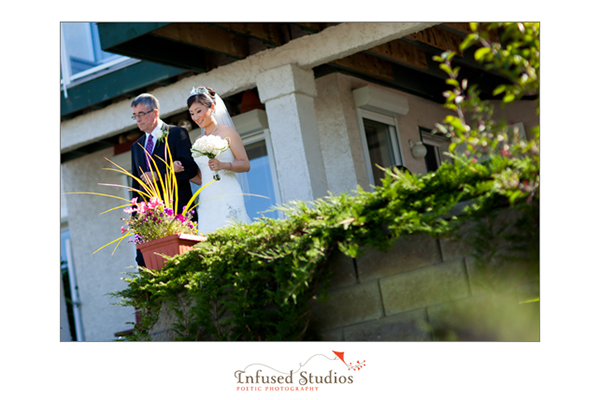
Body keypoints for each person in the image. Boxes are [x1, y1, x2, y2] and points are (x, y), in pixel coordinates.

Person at [130, 93, 198, 266]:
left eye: (141, 114)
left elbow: (189, 169)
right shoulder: (136, 147)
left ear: (155, 113)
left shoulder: (176, 134)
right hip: (150, 221)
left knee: (183, 265)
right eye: (135, 115)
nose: (138, 120)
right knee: (149, 266)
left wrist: (158, 175)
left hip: (178, 213)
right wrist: (136, 219)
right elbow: (136, 185)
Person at [173, 86, 251, 234]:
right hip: (207, 197)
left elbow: (245, 164)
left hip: (228, 191)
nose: (196, 117)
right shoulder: (198, 141)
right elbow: (201, 178)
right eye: (192, 113)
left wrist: (223, 165)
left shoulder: (228, 132)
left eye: (198, 111)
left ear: (212, 107)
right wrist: (180, 170)